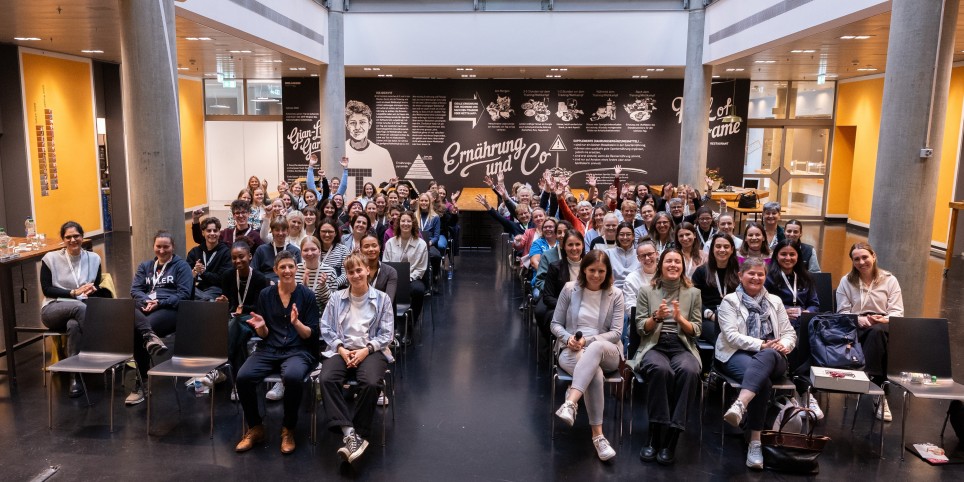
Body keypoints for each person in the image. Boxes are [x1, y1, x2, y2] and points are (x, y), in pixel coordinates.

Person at [234, 251, 320, 455]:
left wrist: (296, 323)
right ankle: (255, 428)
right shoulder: (266, 295)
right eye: (283, 267)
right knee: (243, 377)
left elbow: (311, 334)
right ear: (275, 270)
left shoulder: (307, 295)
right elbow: (264, 335)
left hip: (298, 350)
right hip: (270, 348)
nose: (287, 270)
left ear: (296, 269)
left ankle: (288, 429)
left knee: (292, 377)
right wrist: (261, 327)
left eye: (291, 266)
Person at [716, 257, 796, 470]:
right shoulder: (730, 301)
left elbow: (789, 333)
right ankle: (755, 442)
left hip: (774, 357)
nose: (756, 277)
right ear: (740, 276)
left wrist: (784, 345)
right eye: (751, 273)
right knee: (763, 384)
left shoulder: (775, 302)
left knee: (768, 356)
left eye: (760, 274)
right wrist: (762, 344)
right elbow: (731, 336)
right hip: (736, 353)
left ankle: (740, 404)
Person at [319, 253, 395, 463]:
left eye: (359, 270)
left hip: (371, 350)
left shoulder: (382, 299)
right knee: (326, 379)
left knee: (370, 383)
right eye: (350, 272)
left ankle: (359, 433)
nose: (355, 275)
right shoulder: (336, 298)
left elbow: (386, 334)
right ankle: (349, 433)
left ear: (368, 271)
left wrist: (365, 351)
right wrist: (341, 349)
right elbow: (326, 327)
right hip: (342, 350)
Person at [629, 248, 702, 465]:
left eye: (677, 262)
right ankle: (654, 434)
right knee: (661, 371)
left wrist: (681, 319)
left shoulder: (693, 293)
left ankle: (672, 437)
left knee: (690, 371)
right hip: (655, 345)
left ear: (683, 266)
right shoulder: (646, 290)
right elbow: (641, 328)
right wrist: (657, 317)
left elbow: (696, 330)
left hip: (681, 346)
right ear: (661, 265)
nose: (673, 265)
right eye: (668, 261)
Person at [552, 250, 625, 461]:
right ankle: (598, 437)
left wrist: (588, 341)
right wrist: (568, 339)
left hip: (607, 350)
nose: (596, 275)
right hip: (571, 350)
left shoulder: (616, 294)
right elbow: (555, 323)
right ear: (584, 269)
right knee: (595, 373)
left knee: (595, 349)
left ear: (607, 271)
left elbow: (616, 333)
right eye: (592, 270)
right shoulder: (569, 289)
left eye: (601, 271)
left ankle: (571, 402)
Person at [835, 242, 903, 422]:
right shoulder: (846, 281)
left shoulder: (890, 280)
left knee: (877, 332)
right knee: (875, 334)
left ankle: (867, 379)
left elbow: (897, 312)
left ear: (874, 256)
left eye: (865, 257)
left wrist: (883, 319)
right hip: (856, 324)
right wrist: (860, 319)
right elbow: (842, 312)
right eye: (856, 259)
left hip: (882, 324)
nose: (861, 262)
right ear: (852, 262)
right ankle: (879, 392)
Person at [40, 221, 106, 397]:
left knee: (74, 326)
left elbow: (97, 285)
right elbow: (47, 289)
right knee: (78, 307)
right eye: (68, 237)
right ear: (63, 240)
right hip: (53, 308)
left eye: (76, 236)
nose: (72, 240)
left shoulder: (94, 259)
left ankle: (74, 377)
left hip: (81, 310)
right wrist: (73, 292)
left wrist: (92, 289)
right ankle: (102, 350)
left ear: (82, 237)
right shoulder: (50, 259)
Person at [127, 231, 193, 405]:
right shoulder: (145, 266)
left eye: (166, 247)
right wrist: (147, 300)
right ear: (153, 246)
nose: (162, 250)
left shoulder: (181, 266)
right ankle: (149, 335)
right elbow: (135, 290)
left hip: (170, 309)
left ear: (173, 247)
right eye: (158, 246)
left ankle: (141, 382)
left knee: (136, 330)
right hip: (146, 306)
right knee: (129, 306)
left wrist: (160, 303)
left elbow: (184, 294)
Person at [765, 240, 823, 418]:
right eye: (783, 254)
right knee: (793, 338)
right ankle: (795, 392)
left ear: (798, 257)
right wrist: (782, 310)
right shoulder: (769, 278)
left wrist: (807, 312)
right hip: (778, 323)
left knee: (811, 338)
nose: (788, 258)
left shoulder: (806, 278)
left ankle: (804, 393)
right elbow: (763, 304)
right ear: (776, 256)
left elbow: (815, 304)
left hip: (803, 322)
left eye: (792, 254)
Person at [215, 238, 270, 400]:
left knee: (237, 324)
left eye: (241, 256)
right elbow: (229, 302)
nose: (237, 260)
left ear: (250, 256)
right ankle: (239, 384)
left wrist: (242, 309)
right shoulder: (227, 275)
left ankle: (218, 364)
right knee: (238, 333)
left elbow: (260, 308)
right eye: (234, 258)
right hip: (235, 319)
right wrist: (225, 303)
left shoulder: (260, 278)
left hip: (254, 319)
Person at [534, 229, 584, 341]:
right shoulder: (555, 267)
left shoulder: (590, 266)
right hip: (561, 306)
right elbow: (548, 297)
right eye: (570, 245)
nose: (574, 248)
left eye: (577, 244)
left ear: (583, 245)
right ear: (564, 247)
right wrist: (569, 307)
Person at [383, 211, 429, 331]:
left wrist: (408, 278)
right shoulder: (390, 243)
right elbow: (385, 264)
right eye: (403, 221)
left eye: (409, 221)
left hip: (413, 278)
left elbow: (421, 268)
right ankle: (389, 326)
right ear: (399, 223)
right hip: (392, 279)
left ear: (413, 224)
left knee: (418, 290)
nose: (406, 223)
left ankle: (410, 326)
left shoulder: (421, 244)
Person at [691, 233, 740, 346]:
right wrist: (711, 315)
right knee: (722, 338)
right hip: (709, 318)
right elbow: (694, 300)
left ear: (732, 249)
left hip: (734, 317)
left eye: (726, 247)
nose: (722, 250)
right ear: (712, 249)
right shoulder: (701, 272)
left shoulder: (739, 272)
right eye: (718, 246)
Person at [345, 100, 396, 196]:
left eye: (362, 122)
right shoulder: (341, 151)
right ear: (346, 125)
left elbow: (392, 188)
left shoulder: (383, 153)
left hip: (373, 208)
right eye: (352, 123)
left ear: (370, 123)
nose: (357, 127)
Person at [187, 217, 232, 301]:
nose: (212, 233)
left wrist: (203, 273)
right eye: (209, 231)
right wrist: (194, 272)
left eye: (215, 231)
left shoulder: (226, 252)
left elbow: (222, 279)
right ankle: (206, 300)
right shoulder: (194, 252)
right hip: (196, 288)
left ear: (219, 233)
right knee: (185, 293)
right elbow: (185, 276)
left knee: (195, 298)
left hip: (215, 289)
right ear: (203, 232)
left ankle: (206, 300)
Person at [193, 200, 263, 248]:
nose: (241, 215)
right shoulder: (226, 233)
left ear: (249, 214)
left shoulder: (256, 236)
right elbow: (200, 240)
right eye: (237, 213)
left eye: (243, 212)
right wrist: (196, 220)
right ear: (233, 216)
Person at [317, 219, 351, 289]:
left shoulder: (343, 250)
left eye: (330, 232)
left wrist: (331, 286)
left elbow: (346, 274)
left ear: (335, 233)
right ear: (319, 232)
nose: (327, 234)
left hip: (337, 291)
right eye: (323, 231)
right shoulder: (314, 249)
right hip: (316, 289)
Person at [608, 222, 639, 292]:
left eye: (628, 234)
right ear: (617, 236)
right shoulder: (608, 253)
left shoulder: (639, 253)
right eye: (621, 234)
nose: (625, 237)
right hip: (613, 292)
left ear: (633, 236)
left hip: (635, 291)